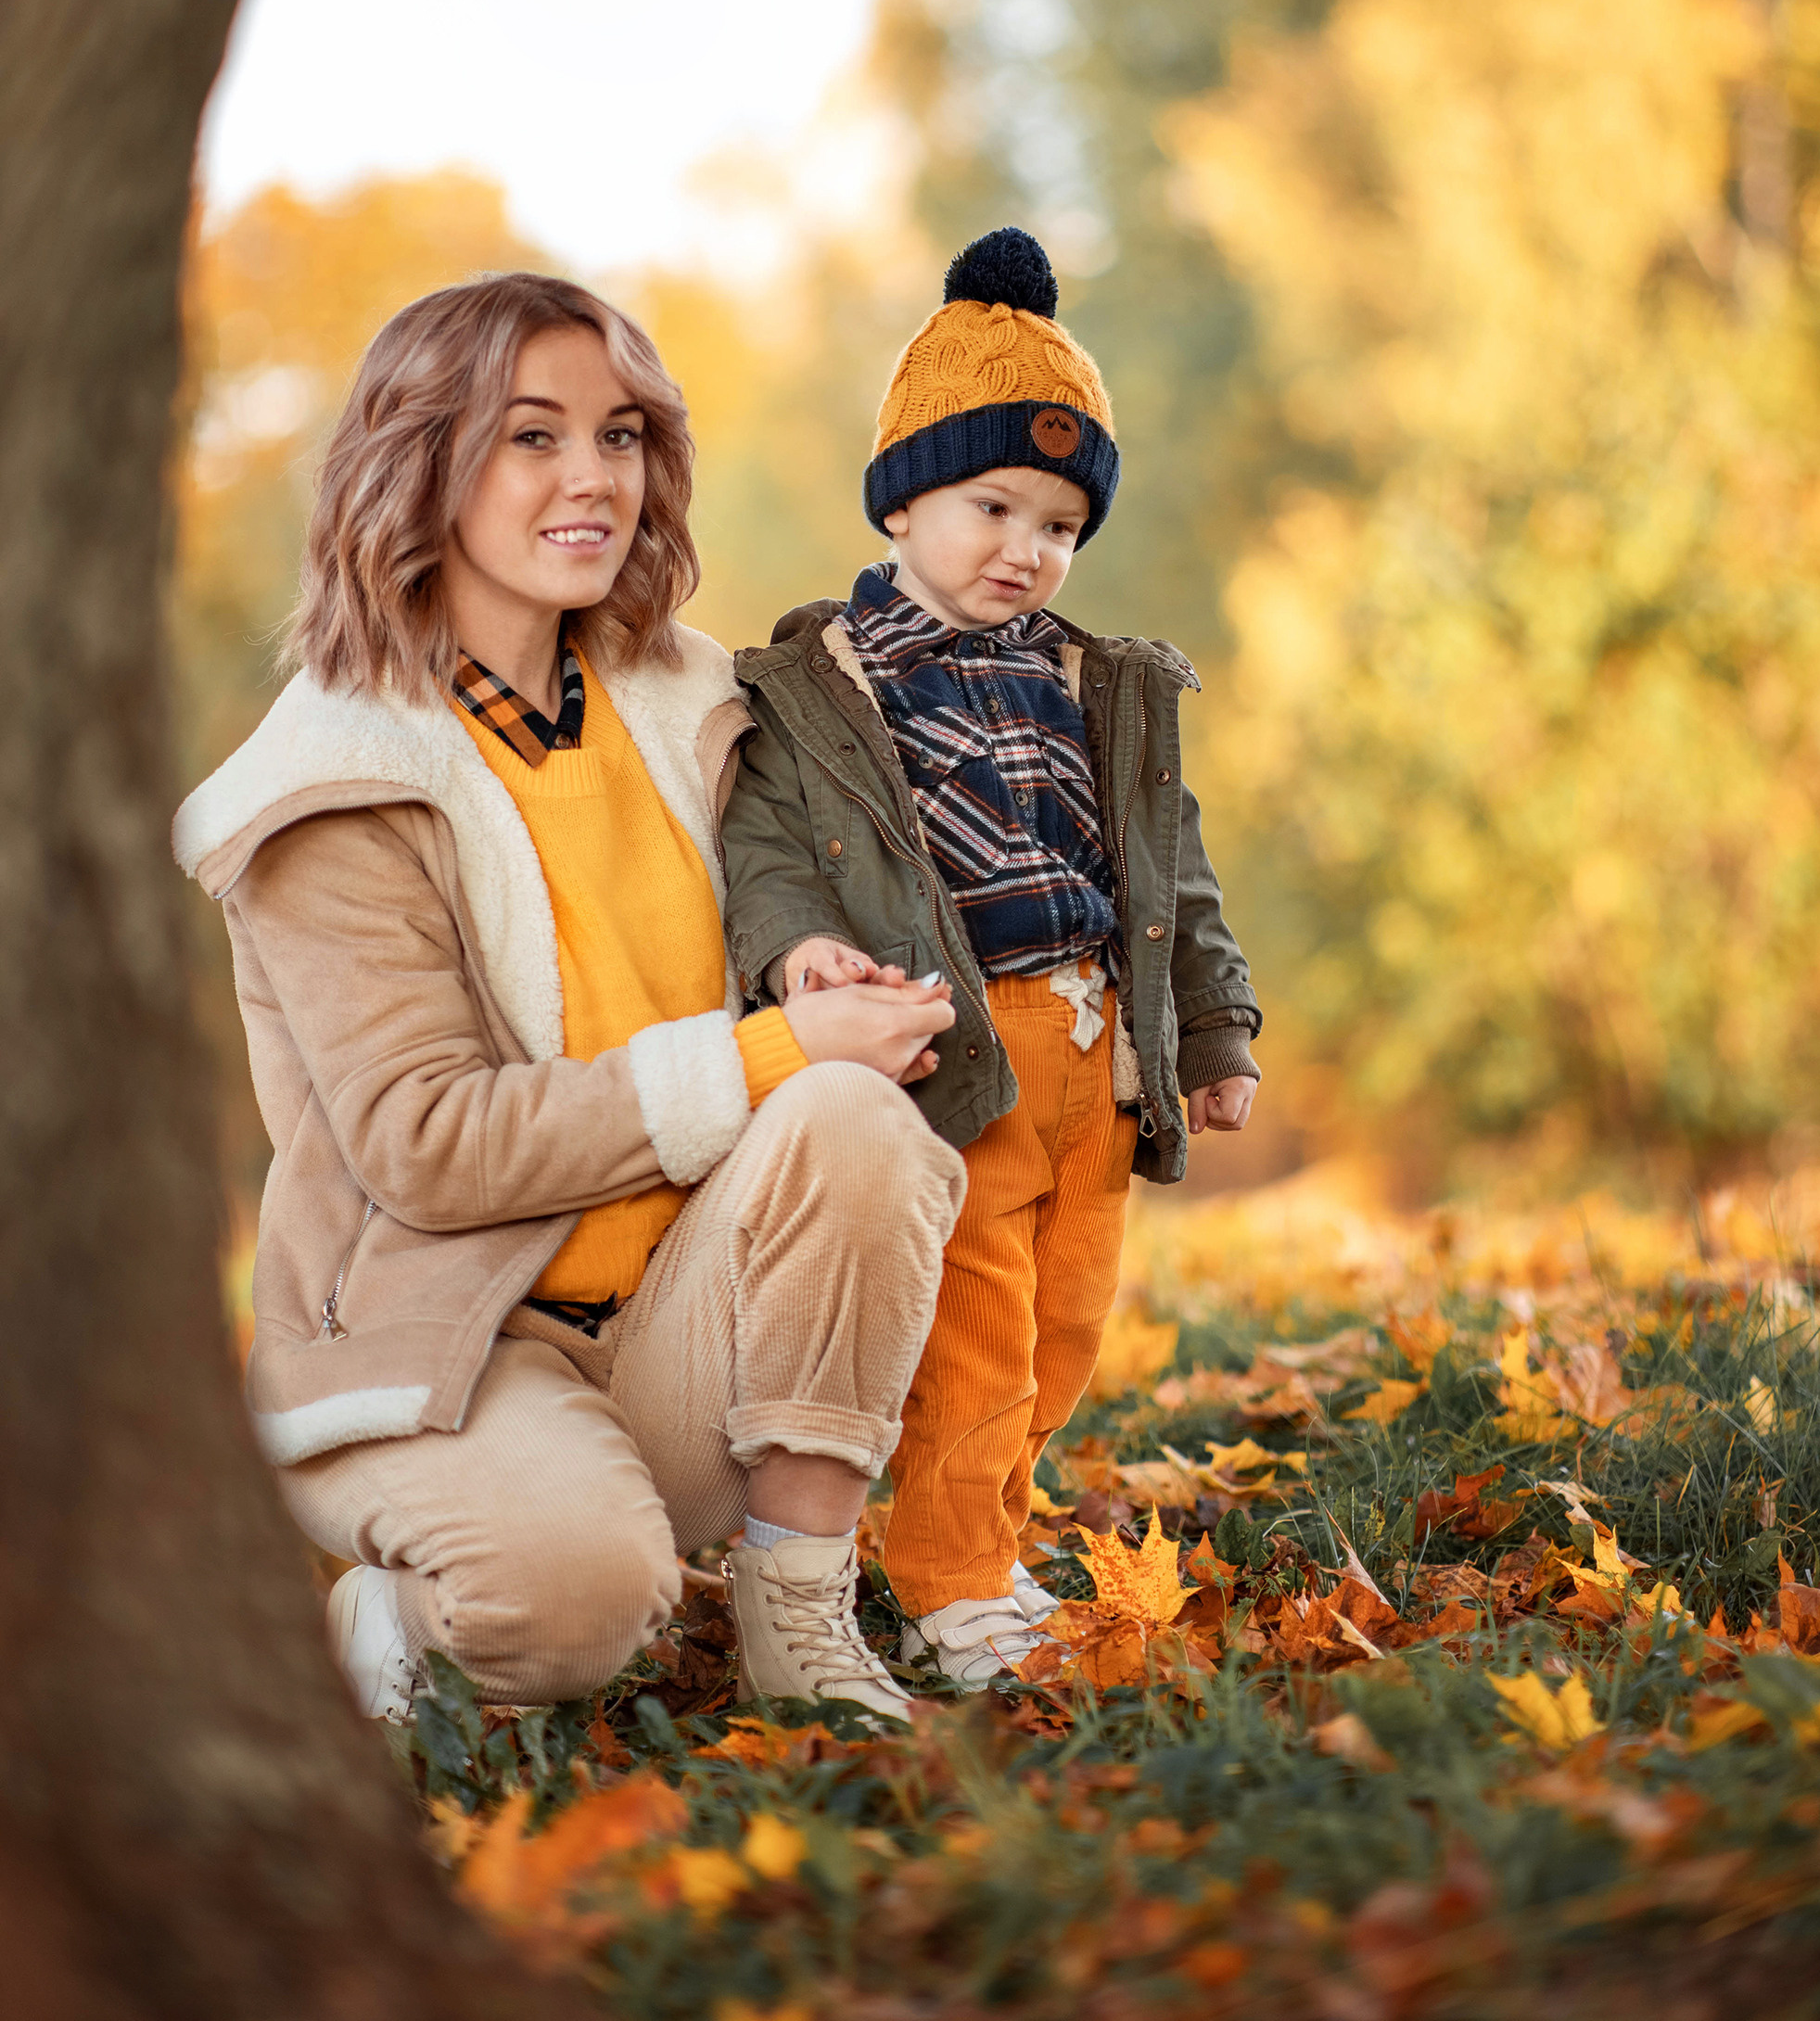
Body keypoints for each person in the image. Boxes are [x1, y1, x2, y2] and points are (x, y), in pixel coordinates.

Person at [173, 273, 960, 1724]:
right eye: (530, 437)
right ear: (422, 464)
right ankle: (410, 1612)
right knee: (574, 1610)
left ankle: (800, 1617)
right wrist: (767, 1050)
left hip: (673, 1324)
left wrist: (808, 968)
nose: (592, 477)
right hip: (441, 1354)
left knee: (852, 1113)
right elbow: (426, 1142)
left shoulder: (692, 702)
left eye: (621, 435)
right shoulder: (333, 783)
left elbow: (810, 898)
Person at [719, 228, 1264, 1689]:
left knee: (1066, 1328)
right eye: (992, 505)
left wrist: (1214, 1035)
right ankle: (954, 1581)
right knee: (976, 1331)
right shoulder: (831, 686)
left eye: (1061, 524)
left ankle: (979, 1540)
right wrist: (802, 951)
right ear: (905, 501)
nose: (1026, 548)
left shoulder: (1101, 682)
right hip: (957, 1055)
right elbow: (769, 846)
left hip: (1101, 1051)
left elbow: (1172, 875)